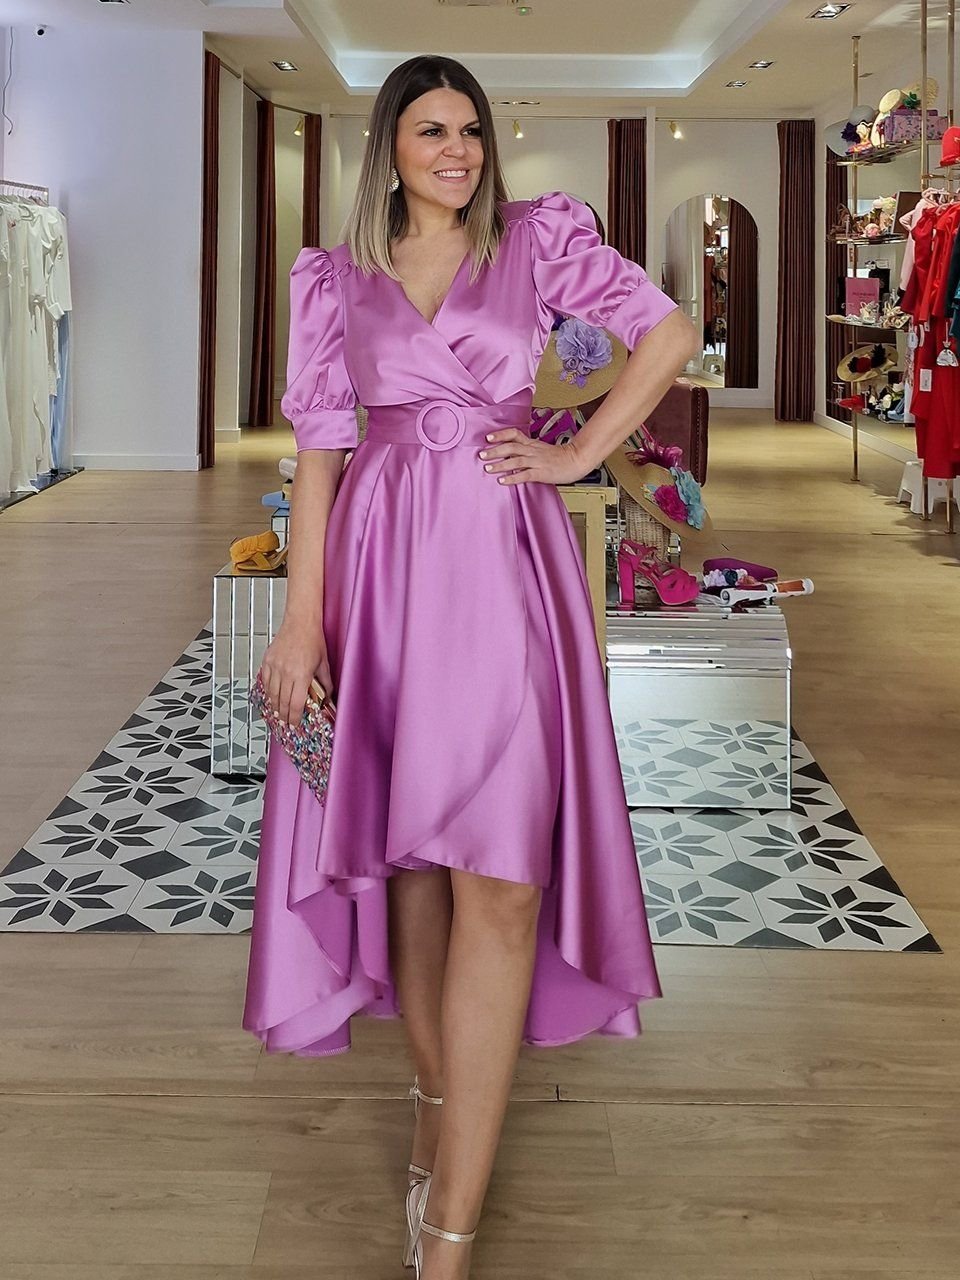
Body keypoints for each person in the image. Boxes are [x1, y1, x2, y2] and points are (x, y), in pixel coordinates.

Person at [242, 53, 698, 1280]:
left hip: (504, 564)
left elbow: (668, 330)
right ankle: (438, 1111)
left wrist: (579, 454)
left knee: (502, 876)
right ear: (388, 148)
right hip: (383, 566)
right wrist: (301, 621)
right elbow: (320, 458)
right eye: (431, 130)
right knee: (412, 870)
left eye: (471, 131)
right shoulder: (334, 276)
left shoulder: (538, 241)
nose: (456, 151)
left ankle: (449, 1232)